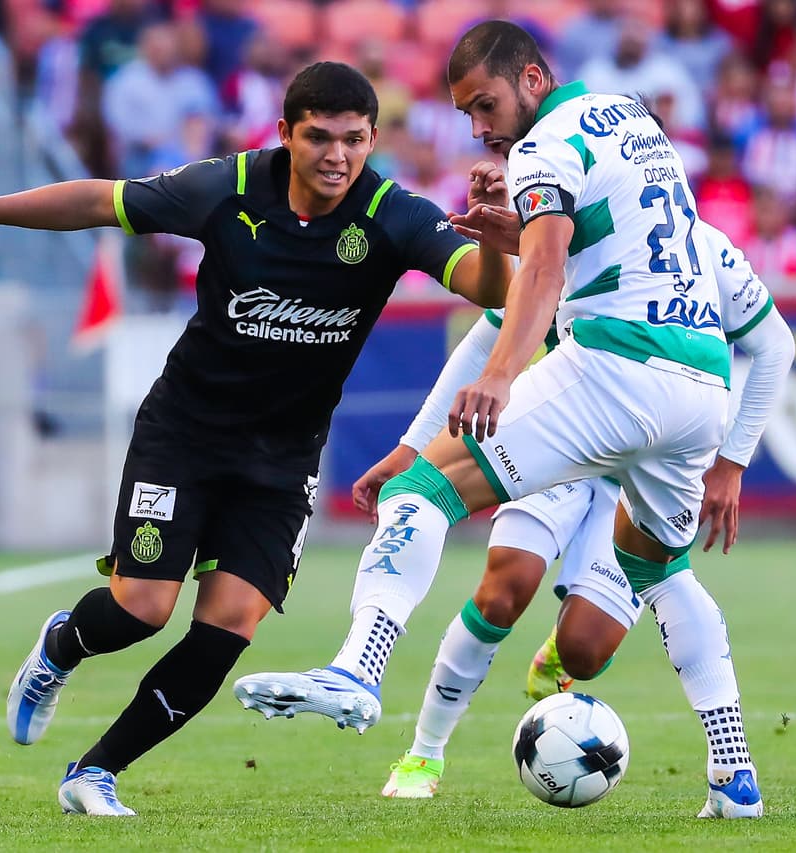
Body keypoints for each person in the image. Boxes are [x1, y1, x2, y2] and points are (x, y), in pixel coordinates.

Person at [0, 61, 509, 817]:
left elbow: (490, 290)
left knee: (228, 625)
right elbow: (100, 200)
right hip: (185, 434)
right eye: (319, 137)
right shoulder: (227, 187)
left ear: (372, 138)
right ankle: (62, 645)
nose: (337, 157)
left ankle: (92, 773)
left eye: (354, 140)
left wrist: (489, 238)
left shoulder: (394, 213)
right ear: (284, 133)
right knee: (141, 609)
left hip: (282, 460)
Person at [234, 19, 741, 803]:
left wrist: (503, 377)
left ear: (533, 79)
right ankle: (734, 774)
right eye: (467, 113)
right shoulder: (631, 113)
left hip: (616, 370)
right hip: (700, 389)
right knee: (658, 569)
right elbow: (588, 253)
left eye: (486, 105)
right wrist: (517, 231)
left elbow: (536, 279)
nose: (480, 128)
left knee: (420, 492)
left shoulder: (543, 147)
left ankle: (358, 669)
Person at [363, 216, 793, 819]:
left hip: (633, 476)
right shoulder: (566, 239)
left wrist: (733, 463)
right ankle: (424, 753)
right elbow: (486, 341)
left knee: (587, 650)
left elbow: (775, 343)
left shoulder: (703, 250)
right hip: (559, 451)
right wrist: (414, 445)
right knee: (503, 592)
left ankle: (569, 662)